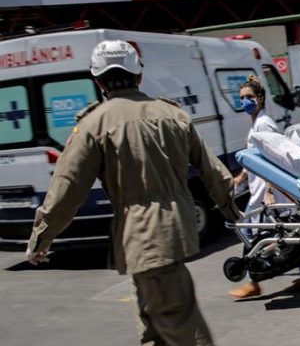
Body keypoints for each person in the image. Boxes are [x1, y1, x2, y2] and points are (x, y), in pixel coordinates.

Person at [25, 40, 240, 346]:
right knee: (155, 329)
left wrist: (41, 238)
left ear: (98, 81)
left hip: (143, 239)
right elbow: (215, 174)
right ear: (138, 75)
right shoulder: (173, 115)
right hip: (171, 233)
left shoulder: (94, 124)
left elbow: (66, 189)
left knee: (181, 328)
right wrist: (234, 215)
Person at [229, 75, 300, 299]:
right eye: (241, 98)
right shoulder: (256, 123)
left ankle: (253, 282)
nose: (244, 102)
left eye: (249, 97)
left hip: (268, 192)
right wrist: (240, 178)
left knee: (251, 234)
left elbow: (272, 157)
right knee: (285, 234)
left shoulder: (264, 123)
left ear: (260, 98)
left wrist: (268, 191)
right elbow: (255, 157)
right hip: (260, 190)